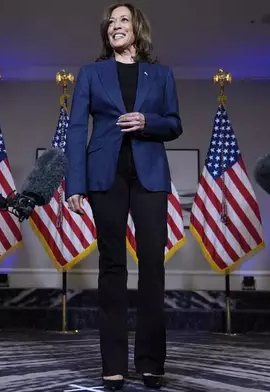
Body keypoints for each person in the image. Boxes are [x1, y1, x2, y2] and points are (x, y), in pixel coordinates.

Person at [64, 3, 183, 390]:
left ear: (137, 28)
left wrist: (148, 122)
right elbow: (77, 129)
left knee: (152, 267)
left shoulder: (161, 74)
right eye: (111, 22)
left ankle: (151, 363)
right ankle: (112, 365)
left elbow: (175, 124)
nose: (116, 26)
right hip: (105, 176)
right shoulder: (91, 74)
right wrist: (75, 184)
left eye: (123, 20)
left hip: (150, 176)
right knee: (112, 267)